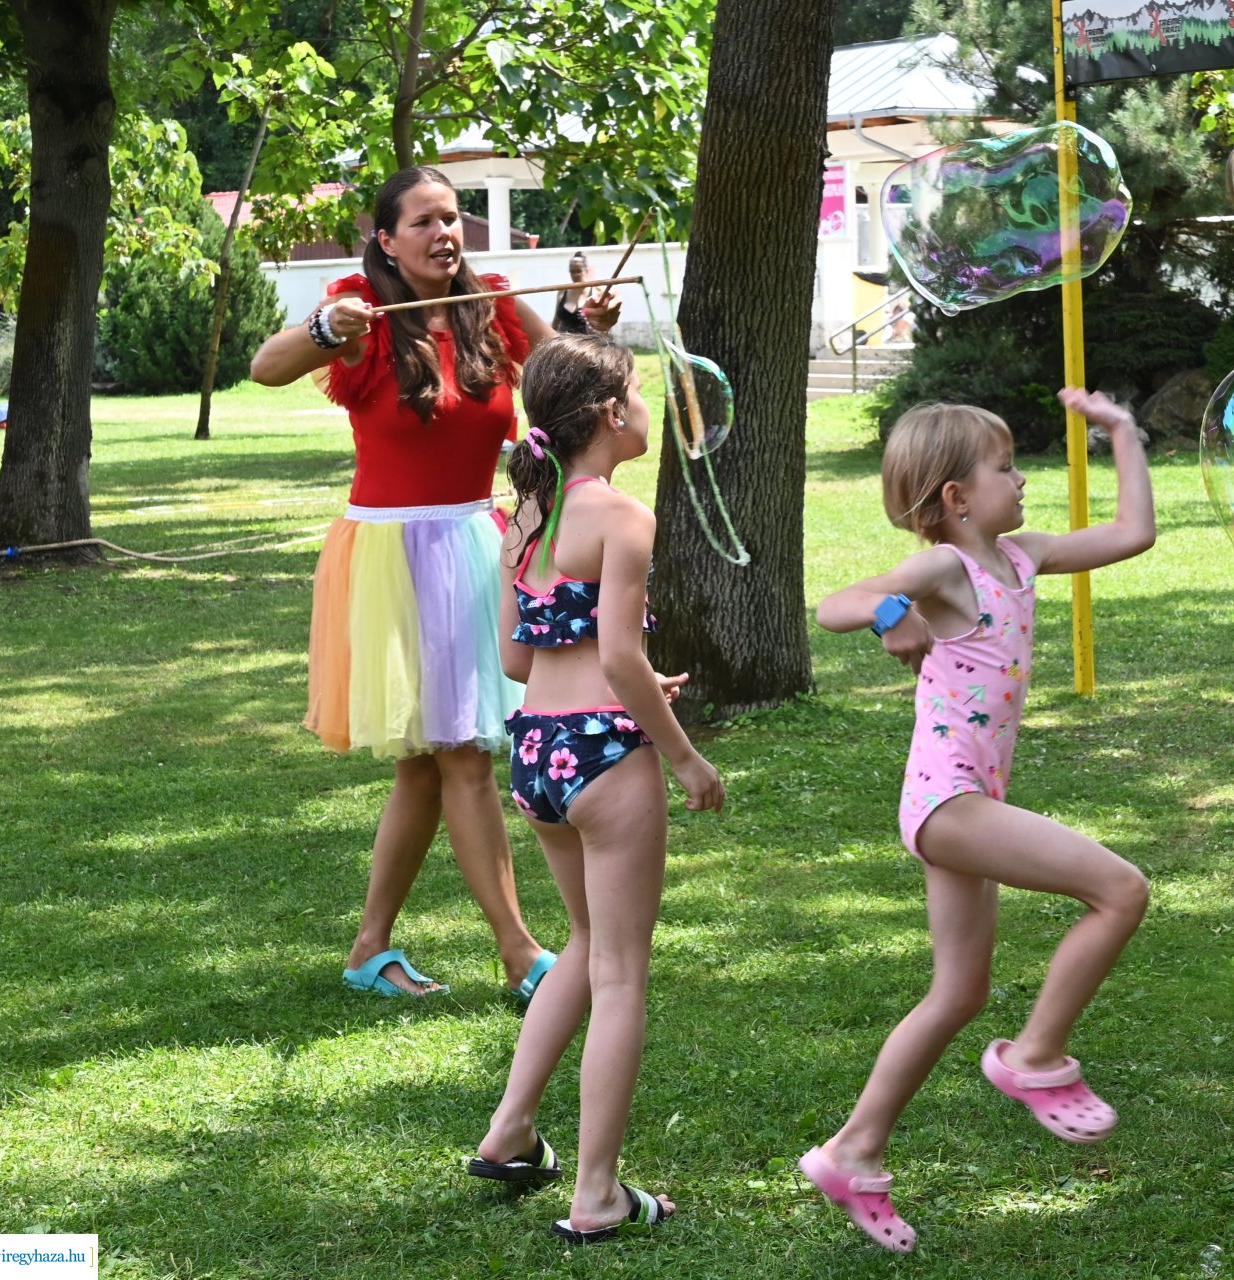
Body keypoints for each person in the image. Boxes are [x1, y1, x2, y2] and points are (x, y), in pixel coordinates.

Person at [249, 166, 621, 1002]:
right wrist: (322, 324)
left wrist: (583, 325)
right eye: (422, 221)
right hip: (391, 557)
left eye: (451, 218)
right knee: (461, 756)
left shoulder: (486, 303)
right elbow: (265, 367)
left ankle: (368, 950)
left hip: (473, 541)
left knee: (428, 763)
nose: (443, 233)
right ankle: (523, 953)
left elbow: (566, 370)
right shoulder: (360, 309)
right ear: (385, 238)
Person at [799, 390, 1157, 1252]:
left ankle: (854, 1152)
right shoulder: (945, 571)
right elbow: (837, 603)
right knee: (1120, 890)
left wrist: (1124, 435)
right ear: (956, 498)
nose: (1021, 478)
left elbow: (1130, 535)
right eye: (1004, 468)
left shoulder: (1021, 556)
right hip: (948, 803)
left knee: (959, 991)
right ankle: (1034, 1057)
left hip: (968, 800)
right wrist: (891, 614)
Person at [466, 334, 723, 1244]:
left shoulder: (527, 523)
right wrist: (685, 756)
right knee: (621, 971)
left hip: (535, 748)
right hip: (605, 756)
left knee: (584, 941)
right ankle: (597, 1192)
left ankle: (510, 1131)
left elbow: (515, 657)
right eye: (641, 396)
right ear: (612, 415)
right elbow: (617, 655)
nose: (650, 409)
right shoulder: (621, 516)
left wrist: (640, 685)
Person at [552, 252, 594, 334]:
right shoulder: (562, 291)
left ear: (586, 270)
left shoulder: (596, 292)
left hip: (587, 343)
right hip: (564, 342)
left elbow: (604, 326)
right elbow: (555, 322)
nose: (575, 275)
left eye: (579, 271)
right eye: (572, 271)